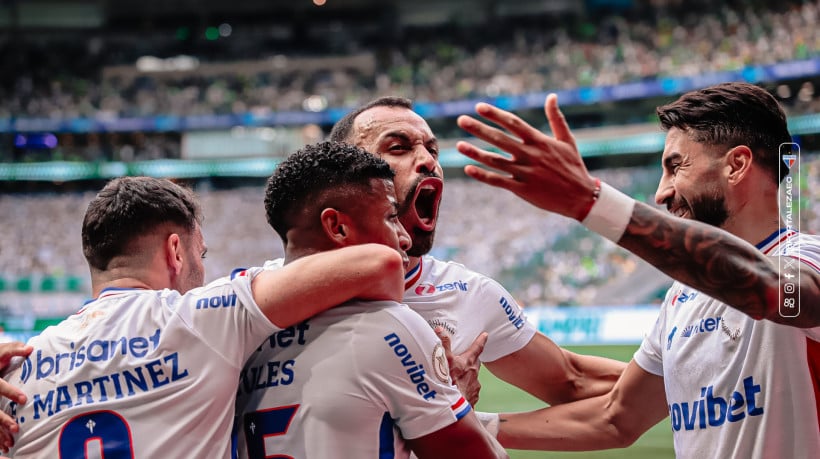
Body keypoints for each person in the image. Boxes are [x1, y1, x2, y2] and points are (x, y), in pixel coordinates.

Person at [454, 82, 820, 457]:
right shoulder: (682, 296)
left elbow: (773, 292)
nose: (661, 192)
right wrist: (463, 425)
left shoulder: (809, 259)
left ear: (736, 165)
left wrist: (593, 203)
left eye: (676, 166)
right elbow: (615, 417)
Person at [0, 176, 407, 458]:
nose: (202, 268)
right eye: (202, 255)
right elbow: (380, 263)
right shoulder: (201, 318)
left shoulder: (19, 366)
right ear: (176, 251)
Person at [323, 96, 626, 407]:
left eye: (432, 150)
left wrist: (673, 371)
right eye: (398, 148)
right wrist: (444, 409)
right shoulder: (278, 293)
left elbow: (572, 380)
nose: (429, 161)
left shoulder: (470, 293)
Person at [234, 141, 505, 458]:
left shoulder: (234, 332)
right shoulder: (390, 327)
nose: (404, 237)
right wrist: (455, 398)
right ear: (337, 226)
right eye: (392, 217)